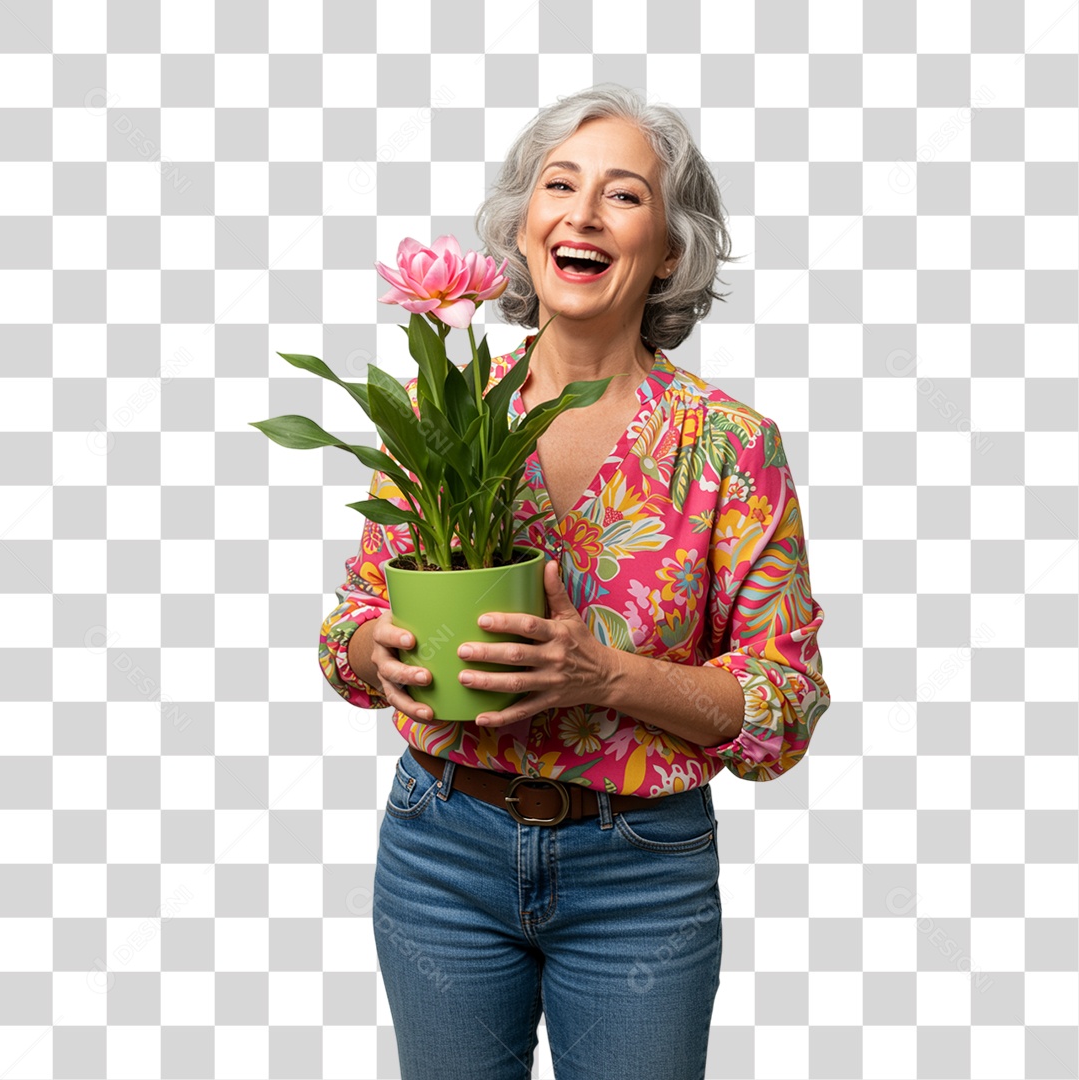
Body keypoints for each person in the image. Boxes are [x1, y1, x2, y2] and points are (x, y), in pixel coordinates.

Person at [319, 84, 830, 1080]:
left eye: (624, 194)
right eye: (560, 185)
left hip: (640, 870)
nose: (583, 212)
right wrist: (370, 648)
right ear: (525, 225)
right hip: (441, 850)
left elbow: (785, 704)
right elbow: (355, 627)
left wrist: (603, 678)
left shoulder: (731, 449)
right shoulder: (440, 409)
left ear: (671, 249)